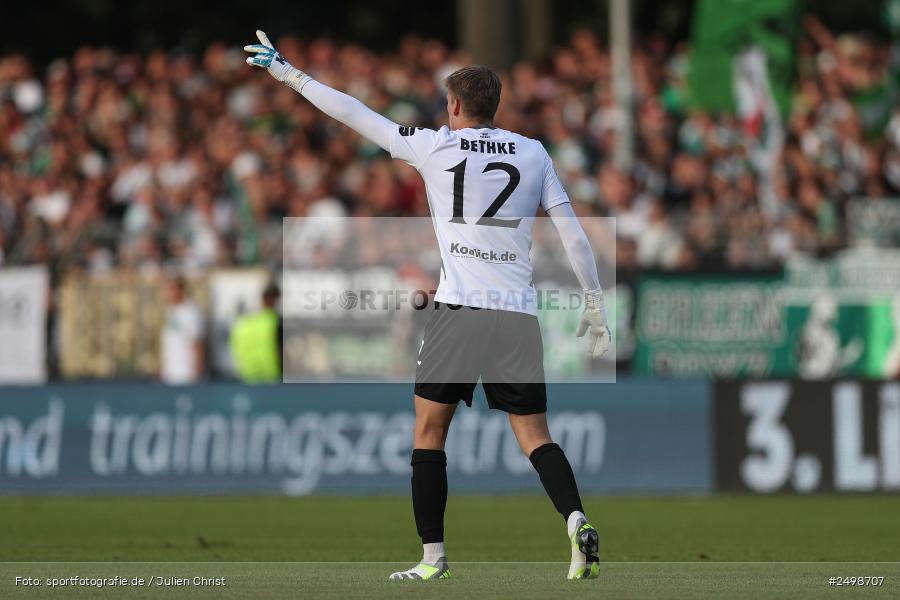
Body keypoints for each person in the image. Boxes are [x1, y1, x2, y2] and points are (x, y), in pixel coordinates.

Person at [246, 31, 612, 581]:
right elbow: (574, 235)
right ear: (496, 106)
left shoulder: (435, 145)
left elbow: (355, 113)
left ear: (456, 105)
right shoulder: (533, 152)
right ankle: (575, 519)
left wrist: (289, 74)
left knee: (427, 434)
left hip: (459, 309)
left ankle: (432, 558)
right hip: (516, 313)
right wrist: (593, 300)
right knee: (536, 436)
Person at [229, 282, 283, 383]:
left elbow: (234, 347)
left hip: (247, 377)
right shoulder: (275, 321)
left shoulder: (242, 323)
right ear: (275, 300)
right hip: (272, 378)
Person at [159, 277, 205, 384]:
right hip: (170, 375)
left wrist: (197, 374)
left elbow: (198, 343)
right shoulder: (170, 311)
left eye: (171, 289)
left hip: (186, 375)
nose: (168, 293)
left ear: (181, 290)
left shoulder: (191, 312)